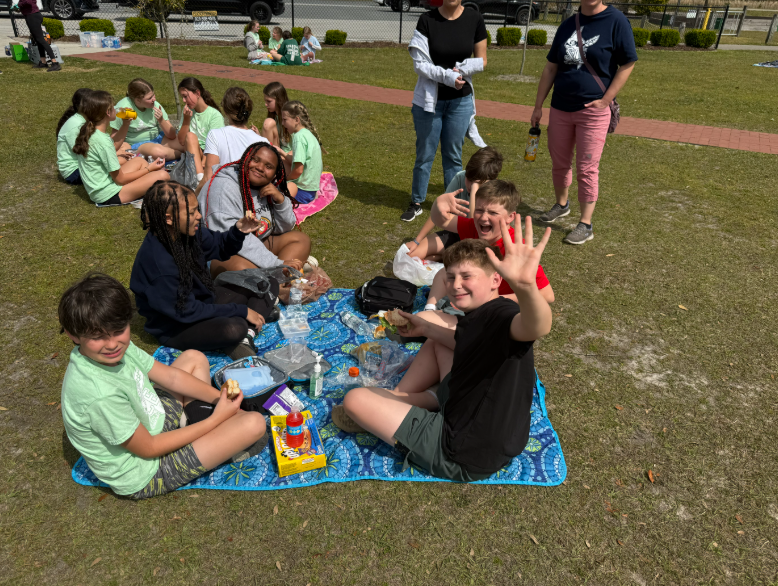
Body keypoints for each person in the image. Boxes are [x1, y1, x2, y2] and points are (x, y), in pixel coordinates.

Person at [332, 221, 553, 482]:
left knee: (355, 400)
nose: (456, 285)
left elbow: (536, 327)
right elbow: (466, 342)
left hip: (462, 451)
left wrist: (526, 286)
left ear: (496, 279)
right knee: (438, 340)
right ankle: (407, 398)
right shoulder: (480, 312)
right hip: (487, 423)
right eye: (450, 277)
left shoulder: (504, 315)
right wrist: (425, 327)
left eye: (467, 276)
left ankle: (398, 404)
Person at [59, 273, 267, 499]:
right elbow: (149, 448)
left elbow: (172, 378)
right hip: (145, 471)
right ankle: (210, 434)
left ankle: (198, 426)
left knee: (193, 358)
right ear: (73, 335)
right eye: (97, 337)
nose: (111, 344)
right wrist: (216, 419)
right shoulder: (99, 394)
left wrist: (220, 400)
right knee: (254, 423)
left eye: (119, 331)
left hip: (151, 421)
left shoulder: (118, 348)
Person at [131, 180, 279, 360]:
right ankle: (244, 330)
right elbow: (186, 311)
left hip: (204, 301)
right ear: (168, 218)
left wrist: (239, 231)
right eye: (192, 212)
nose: (199, 216)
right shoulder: (159, 265)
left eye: (197, 209)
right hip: (177, 325)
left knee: (265, 282)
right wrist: (241, 310)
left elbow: (220, 246)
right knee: (234, 327)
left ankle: (245, 337)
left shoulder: (188, 233)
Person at [531, 0, 637, 245]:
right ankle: (561, 204)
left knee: (587, 167)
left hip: (593, 111)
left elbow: (628, 63)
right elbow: (551, 68)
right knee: (559, 162)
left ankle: (586, 224)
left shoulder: (616, 21)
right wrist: (538, 106)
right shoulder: (568, 24)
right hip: (560, 107)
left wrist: (605, 100)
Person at [420, 180, 554, 322]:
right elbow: (441, 220)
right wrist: (438, 203)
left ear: (510, 217)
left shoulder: (516, 249)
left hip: (497, 309)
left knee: (438, 328)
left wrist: (496, 299)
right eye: (479, 210)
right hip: (472, 293)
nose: (483, 217)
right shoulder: (473, 227)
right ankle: (430, 309)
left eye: (493, 212)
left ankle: (432, 320)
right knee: (446, 271)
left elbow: (548, 295)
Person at [402, 0, 487, 222]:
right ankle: (417, 202)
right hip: (429, 103)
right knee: (424, 155)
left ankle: (454, 203)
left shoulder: (474, 18)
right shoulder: (427, 20)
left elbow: (482, 60)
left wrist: (461, 69)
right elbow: (419, 64)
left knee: (453, 157)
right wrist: (447, 77)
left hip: (460, 102)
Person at [200, 142, 311, 276]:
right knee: (243, 268)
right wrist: (275, 263)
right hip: (221, 252)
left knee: (300, 240)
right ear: (245, 158)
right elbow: (230, 239)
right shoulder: (223, 187)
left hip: (256, 243)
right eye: (255, 160)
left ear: (275, 174)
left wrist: (280, 201)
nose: (259, 167)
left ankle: (277, 281)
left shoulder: (266, 186)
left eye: (268, 166)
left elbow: (283, 228)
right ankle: (277, 285)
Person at [73, 91, 169, 205]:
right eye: (113, 108)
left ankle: (144, 184)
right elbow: (120, 180)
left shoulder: (95, 132)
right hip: (108, 194)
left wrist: (125, 124)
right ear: (108, 113)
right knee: (164, 175)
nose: (117, 109)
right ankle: (145, 186)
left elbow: (113, 147)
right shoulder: (102, 141)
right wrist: (149, 169)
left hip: (105, 183)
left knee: (139, 160)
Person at [407, 146, 502, 262]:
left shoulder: (496, 193)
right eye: (469, 178)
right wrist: (417, 240)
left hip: (479, 243)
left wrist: (474, 191)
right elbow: (440, 211)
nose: (469, 184)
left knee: (457, 261)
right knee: (413, 256)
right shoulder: (460, 177)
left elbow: (473, 225)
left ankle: (445, 257)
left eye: (477, 182)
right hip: (456, 232)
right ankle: (444, 257)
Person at [197, 86, 269, 194]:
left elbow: (209, 178)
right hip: (253, 202)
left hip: (225, 198)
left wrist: (192, 197)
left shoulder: (215, 135)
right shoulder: (264, 142)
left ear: (225, 110)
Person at [110, 78, 185, 163]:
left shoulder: (155, 106)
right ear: (138, 100)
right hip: (138, 144)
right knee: (158, 152)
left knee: (185, 144)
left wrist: (161, 120)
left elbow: (172, 135)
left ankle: (177, 154)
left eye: (153, 95)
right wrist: (125, 124)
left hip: (158, 138)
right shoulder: (123, 109)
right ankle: (182, 156)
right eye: (149, 98)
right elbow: (114, 139)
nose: (154, 99)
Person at [177, 77, 225, 182]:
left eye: (185, 96)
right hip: (191, 150)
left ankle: (199, 177)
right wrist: (186, 120)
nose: (184, 101)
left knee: (190, 136)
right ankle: (199, 177)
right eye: (182, 98)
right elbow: (180, 141)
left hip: (208, 154)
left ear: (197, 93)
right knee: (188, 137)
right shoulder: (188, 113)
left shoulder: (214, 115)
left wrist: (204, 160)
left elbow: (217, 145)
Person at [280, 100, 324, 204]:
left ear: (296, 120)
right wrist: (282, 152)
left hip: (302, 191)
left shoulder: (298, 137)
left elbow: (298, 170)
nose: (282, 123)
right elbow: (298, 161)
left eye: (285, 119)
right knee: (282, 161)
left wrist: (286, 180)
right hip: (311, 190)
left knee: (274, 193)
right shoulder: (307, 134)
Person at [57, 88, 92, 185]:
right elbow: (84, 151)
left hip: (82, 163)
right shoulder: (76, 125)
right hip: (73, 172)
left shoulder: (84, 120)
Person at [18, 0, 60, 72]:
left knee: (41, 40)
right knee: (38, 40)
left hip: (33, 16)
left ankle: (55, 63)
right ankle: (43, 62)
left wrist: (19, 4)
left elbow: (28, 2)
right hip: (31, 15)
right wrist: (19, 8)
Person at [260, 81, 291, 154]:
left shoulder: (291, 118)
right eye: (265, 101)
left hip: (290, 158)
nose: (266, 104)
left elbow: (298, 149)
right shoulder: (275, 117)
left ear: (279, 100)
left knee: (268, 123)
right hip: (280, 154)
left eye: (269, 101)